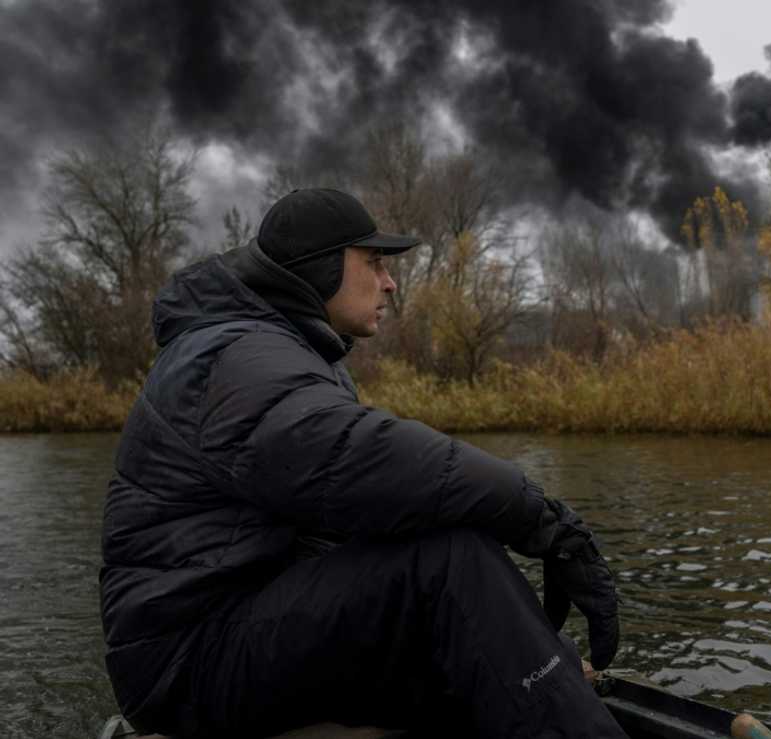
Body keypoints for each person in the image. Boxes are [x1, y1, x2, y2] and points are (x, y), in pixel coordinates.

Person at [100, 188, 626, 738]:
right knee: (448, 560)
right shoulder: (235, 357)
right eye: (373, 263)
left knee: (454, 583)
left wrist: (520, 644)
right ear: (319, 269)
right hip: (187, 664)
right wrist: (547, 523)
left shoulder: (268, 347)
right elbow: (370, 458)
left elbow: (358, 523)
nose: (390, 282)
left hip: (240, 627)